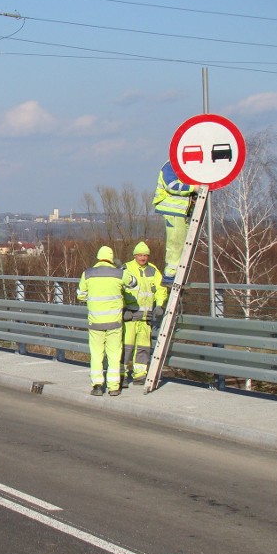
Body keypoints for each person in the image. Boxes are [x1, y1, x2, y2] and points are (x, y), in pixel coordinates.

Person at [77, 246, 138, 396]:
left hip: (95, 323)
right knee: (114, 355)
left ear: (98, 257)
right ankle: (113, 387)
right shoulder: (119, 274)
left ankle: (97, 385)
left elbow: (80, 295)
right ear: (112, 259)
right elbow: (134, 283)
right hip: (114, 323)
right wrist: (123, 269)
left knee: (97, 355)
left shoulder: (88, 274)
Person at [121, 242, 168, 386]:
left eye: (145, 255)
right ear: (135, 255)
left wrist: (160, 305)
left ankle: (140, 375)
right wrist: (123, 309)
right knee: (126, 347)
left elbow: (161, 289)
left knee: (143, 348)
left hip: (146, 316)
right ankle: (122, 374)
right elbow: (119, 290)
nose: (143, 258)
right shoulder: (126, 268)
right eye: (140, 255)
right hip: (130, 315)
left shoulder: (153, 270)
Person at [152, 160, 197, 284]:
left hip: (182, 212)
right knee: (176, 241)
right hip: (173, 210)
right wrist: (194, 188)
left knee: (183, 241)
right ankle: (171, 273)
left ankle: (177, 270)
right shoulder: (171, 165)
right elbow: (171, 186)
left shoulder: (184, 165)